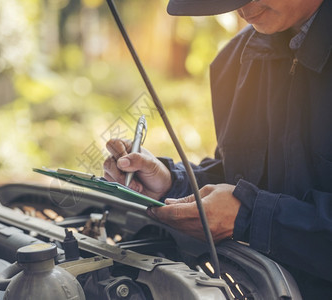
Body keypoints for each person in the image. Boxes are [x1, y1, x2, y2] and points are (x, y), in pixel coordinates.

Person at [103, 0, 332, 298]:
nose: (240, 7)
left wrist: (250, 218)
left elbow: (249, 206)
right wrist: (171, 183)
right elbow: (240, 176)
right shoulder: (236, 61)